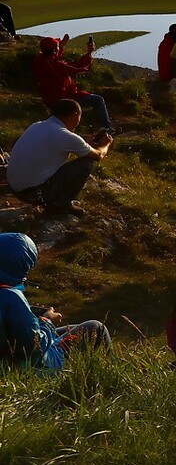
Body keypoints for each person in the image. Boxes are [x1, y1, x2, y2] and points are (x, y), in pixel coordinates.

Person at [0, 232, 110, 372]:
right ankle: (109, 382)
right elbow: (34, 348)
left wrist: (30, 315)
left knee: (73, 328)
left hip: (8, 358)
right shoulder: (11, 296)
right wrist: (48, 320)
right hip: (27, 368)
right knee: (96, 328)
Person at [7, 99, 113, 217]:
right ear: (75, 115)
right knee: (87, 163)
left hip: (15, 189)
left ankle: (55, 200)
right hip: (34, 194)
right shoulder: (66, 136)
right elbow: (98, 155)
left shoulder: (36, 126)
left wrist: (82, 142)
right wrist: (106, 145)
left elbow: (60, 140)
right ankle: (61, 204)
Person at [33, 34, 113, 131]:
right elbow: (78, 68)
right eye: (57, 47)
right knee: (98, 100)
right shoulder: (56, 65)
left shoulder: (40, 60)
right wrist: (89, 53)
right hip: (64, 98)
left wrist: (61, 46)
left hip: (49, 98)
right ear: (54, 51)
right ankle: (107, 128)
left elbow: (54, 58)